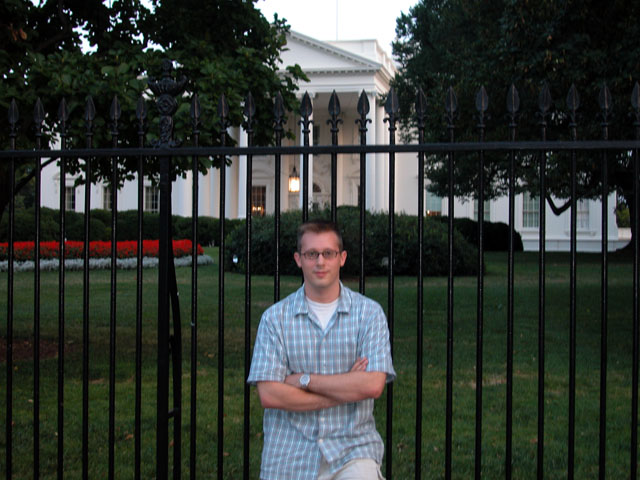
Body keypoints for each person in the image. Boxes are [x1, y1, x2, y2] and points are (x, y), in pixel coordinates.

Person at [247, 220, 396, 480]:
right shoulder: (275, 319)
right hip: (288, 451)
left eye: (328, 253)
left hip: (352, 449)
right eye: (311, 254)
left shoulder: (369, 314)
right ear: (298, 259)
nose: (320, 262)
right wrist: (347, 389)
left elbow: (372, 385)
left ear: (342, 258)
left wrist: (303, 381)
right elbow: (270, 395)